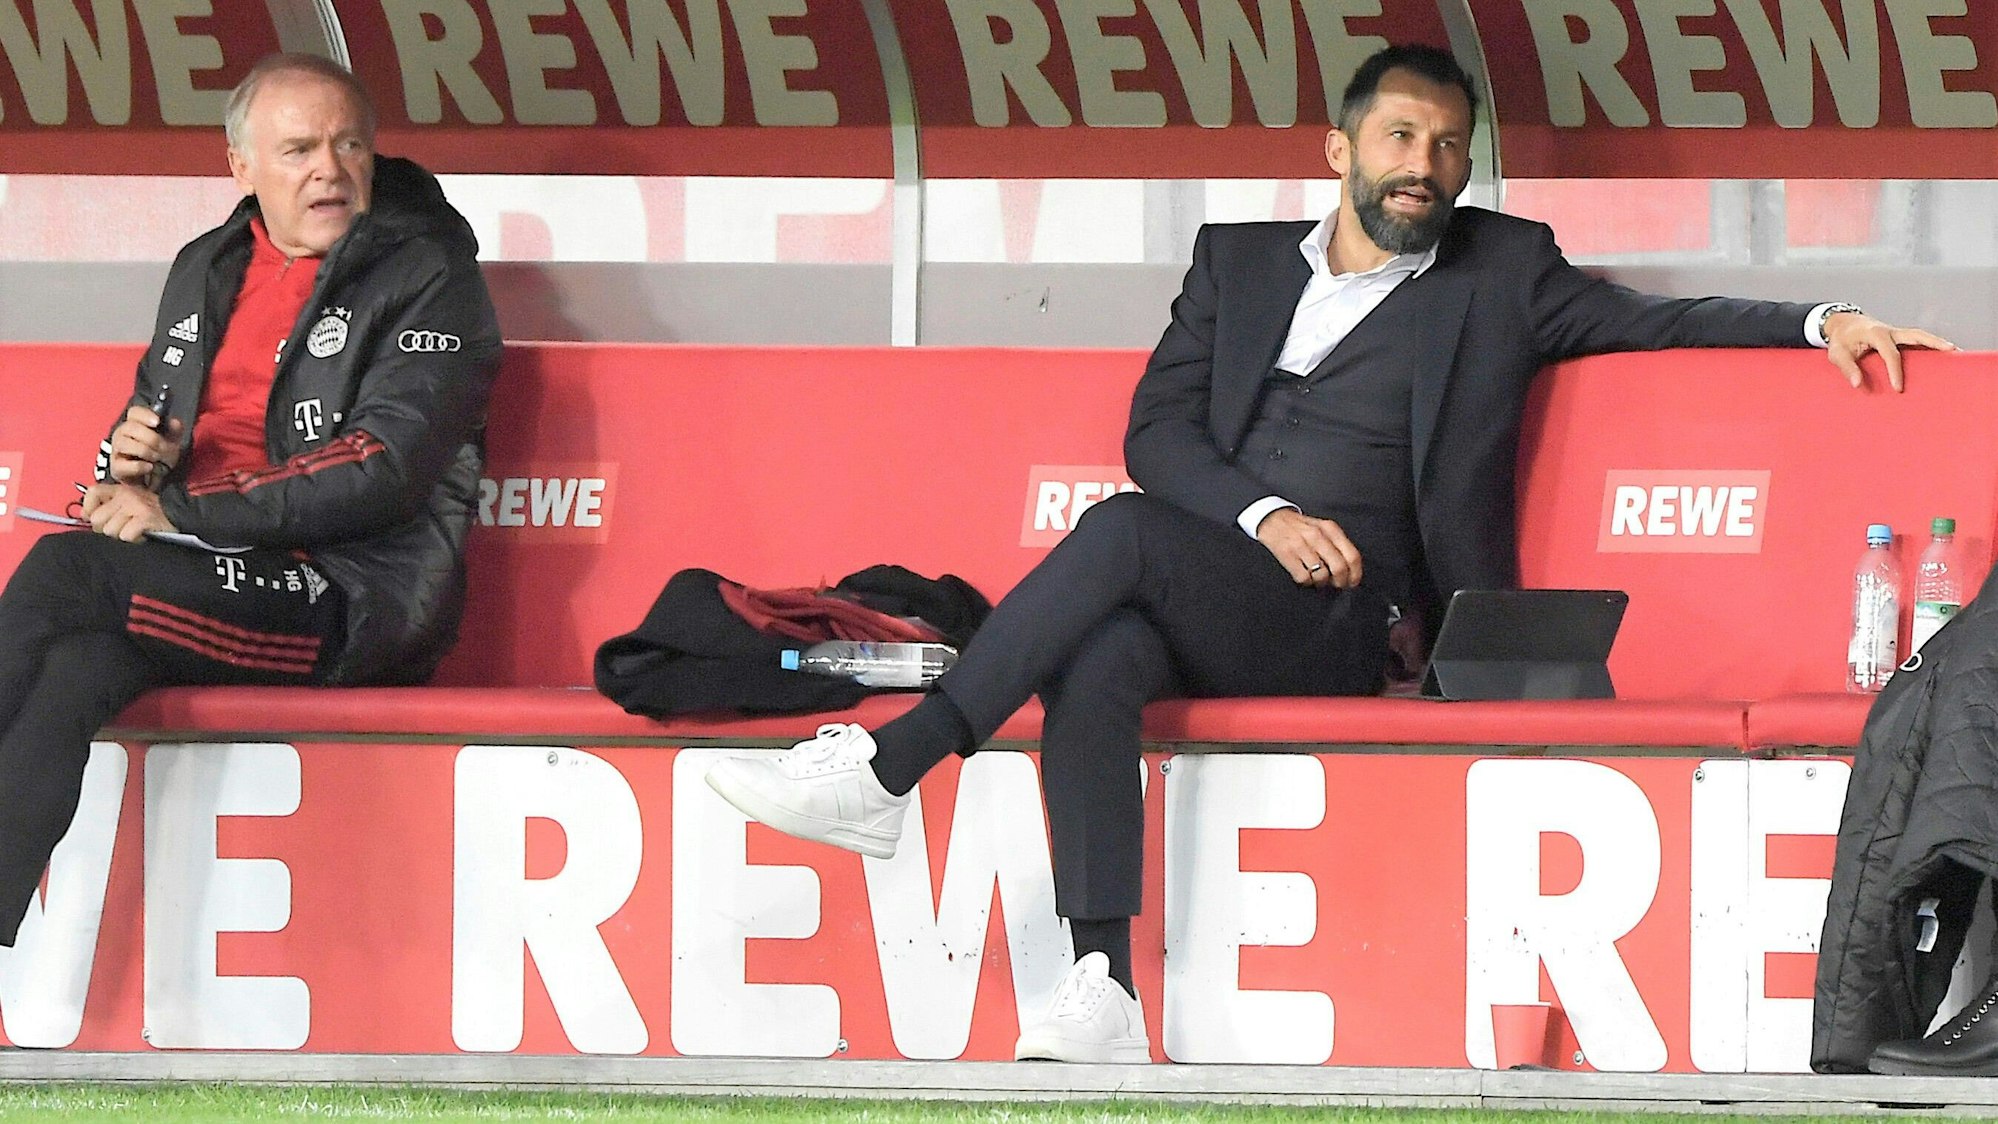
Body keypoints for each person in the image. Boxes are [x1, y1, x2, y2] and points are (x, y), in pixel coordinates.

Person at [706, 44, 1953, 1063]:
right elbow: (1157, 428)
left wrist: (1818, 316)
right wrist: (1263, 516)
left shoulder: (1502, 271)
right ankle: (1101, 984)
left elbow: (1660, 320)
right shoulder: (1235, 262)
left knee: (1117, 536)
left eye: (1451, 145)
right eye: (1404, 138)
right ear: (1342, 150)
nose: (1429, 166)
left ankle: (891, 768)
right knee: (1105, 646)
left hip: (1358, 617)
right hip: (1225, 578)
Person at [0, 53, 501, 947]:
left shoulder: (432, 277)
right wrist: (133, 470)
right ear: (241, 168)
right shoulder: (207, 266)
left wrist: (178, 516)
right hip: (204, 571)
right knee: (77, 665)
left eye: (350, 145)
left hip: (347, 598)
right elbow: (154, 426)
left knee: (68, 574)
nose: (330, 170)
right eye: (301, 149)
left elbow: (381, 467)